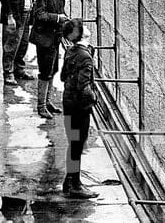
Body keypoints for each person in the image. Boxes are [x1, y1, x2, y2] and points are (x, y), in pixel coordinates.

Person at [60, 18, 99, 199]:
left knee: (73, 143)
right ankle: (74, 185)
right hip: (79, 106)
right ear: (82, 34)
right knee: (78, 143)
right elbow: (84, 86)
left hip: (68, 102)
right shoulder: (85, 56)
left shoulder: (70, 50)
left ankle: (70, 181)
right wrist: (94, 97)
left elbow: (62, 77)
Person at [30, 0, 69, 118]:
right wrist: (58, 18)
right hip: (45, 39)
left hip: (54, 40)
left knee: (52, 70)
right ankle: (41, 107)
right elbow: (39, 14)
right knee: (45, 72)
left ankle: (47, 102)